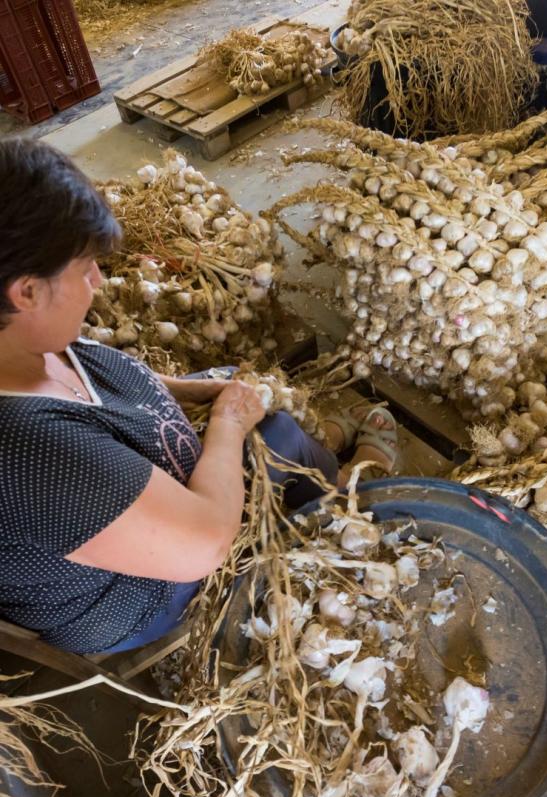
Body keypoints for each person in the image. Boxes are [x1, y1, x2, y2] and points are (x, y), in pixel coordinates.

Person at [0, 139, 398, 656]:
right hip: (140, 592)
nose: (98, 281)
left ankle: (326, 458)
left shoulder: (20, 336)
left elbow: (88, 379)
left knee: (237, 385)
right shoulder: (27, 449)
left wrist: (189, 389)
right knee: (275, 435)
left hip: (111, 482)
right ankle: (353, 495)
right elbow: (204, 544)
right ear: (26, 292)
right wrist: (227, 424)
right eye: (83, 270)